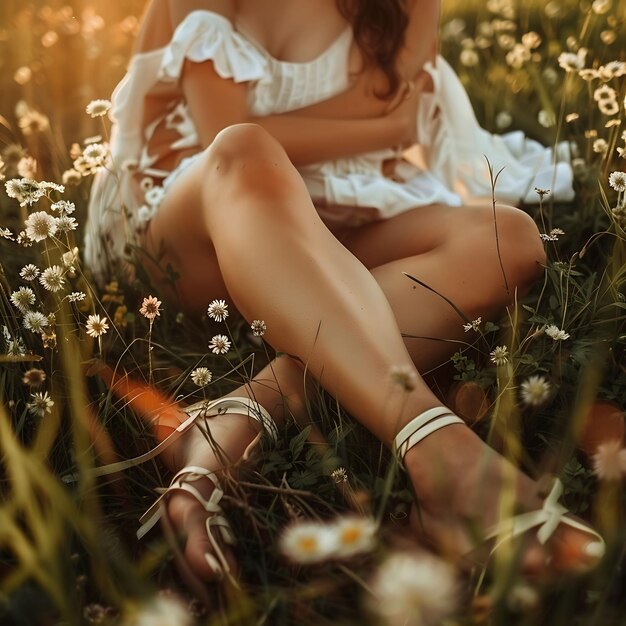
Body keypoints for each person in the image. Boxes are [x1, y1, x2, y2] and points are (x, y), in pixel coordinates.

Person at [85, 0, 603, 591]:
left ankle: (244, 408)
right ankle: (443, 456)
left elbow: (404, 116)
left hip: (325, 205)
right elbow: (221, 133)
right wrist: (382, 125)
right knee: (245, 145)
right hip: (189, 218)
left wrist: (372, 124)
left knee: (507, 236)